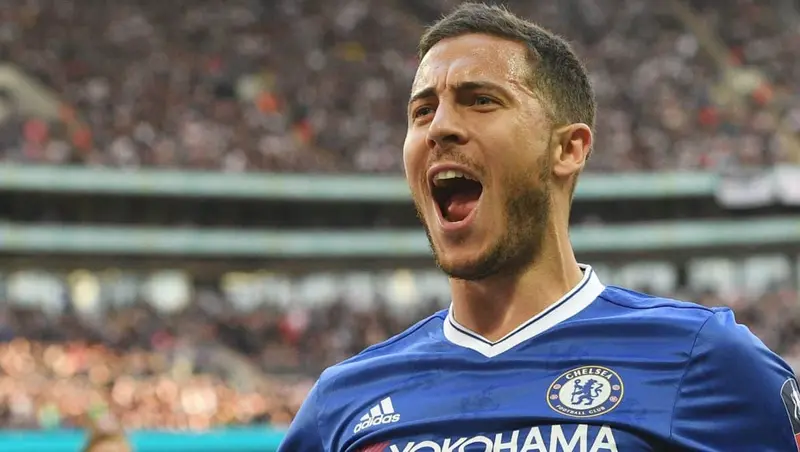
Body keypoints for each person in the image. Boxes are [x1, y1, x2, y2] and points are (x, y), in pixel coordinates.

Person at [279, 3, 800, 451]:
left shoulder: (704, 362)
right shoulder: (343, 402)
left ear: (568, 148)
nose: (439, 127)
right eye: (422, 111)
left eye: (480, 100)